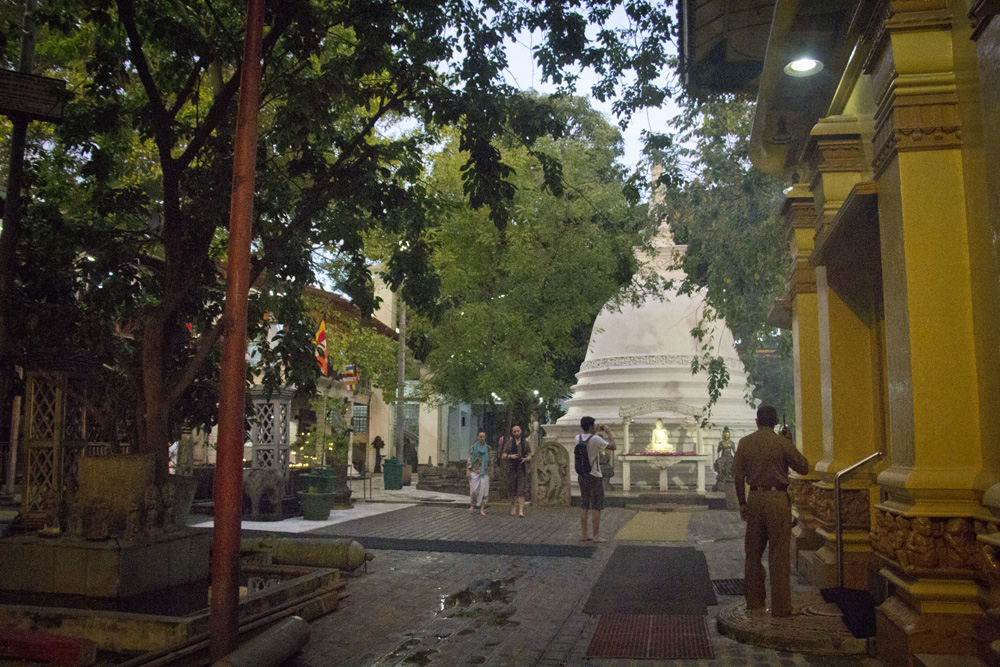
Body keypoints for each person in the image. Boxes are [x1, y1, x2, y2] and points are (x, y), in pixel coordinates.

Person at [732, 404, 810, 617]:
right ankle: (781, 606)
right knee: (778, 553)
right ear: (776, 422)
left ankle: (754, 601)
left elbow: (738, 476)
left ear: (756, 421)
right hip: (777, 500)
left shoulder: (745, 442)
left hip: (755, 498)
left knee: (753, 552)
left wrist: (742, 502)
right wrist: (789, 442)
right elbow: (803, 467)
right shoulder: (781, 443)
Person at [576, 416, 616, 542]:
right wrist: (608, 432)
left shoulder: (577, 438)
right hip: (594, 475)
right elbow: (613, 446)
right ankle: (595, 535)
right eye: (594, 425)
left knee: (584, 504)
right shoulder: (596, 439)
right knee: (596, 506)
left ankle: (584, 534)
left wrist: (595, 431)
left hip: (582, 475)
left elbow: (589, 438)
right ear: (590, 426)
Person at [500, 424, 532, 517]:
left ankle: (521, 510)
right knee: (512, 490)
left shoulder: (525, 443)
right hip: (511, 469)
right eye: (514, 431)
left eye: (518, 431)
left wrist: (526, 459)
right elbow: (503, 455)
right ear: (512, 433)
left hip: (521, 468)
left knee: (521, 490)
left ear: (521, 431)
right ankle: (513, 507)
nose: (516, 433)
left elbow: (530, 454)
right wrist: (510, 456)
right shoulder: (509, 443)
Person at [467, 430, 491, 515]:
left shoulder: (488, 448)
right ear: (477, 437)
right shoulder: (473, 447)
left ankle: (482, 509)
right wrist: (468, 470)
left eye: (483, 437)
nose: (482, 438)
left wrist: (491, 472)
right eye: (480, 437)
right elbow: (470, 458)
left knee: (484, 490)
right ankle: (472, 504)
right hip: (475, 470)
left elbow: (491, 461)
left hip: (484, 471)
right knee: (473, 490)